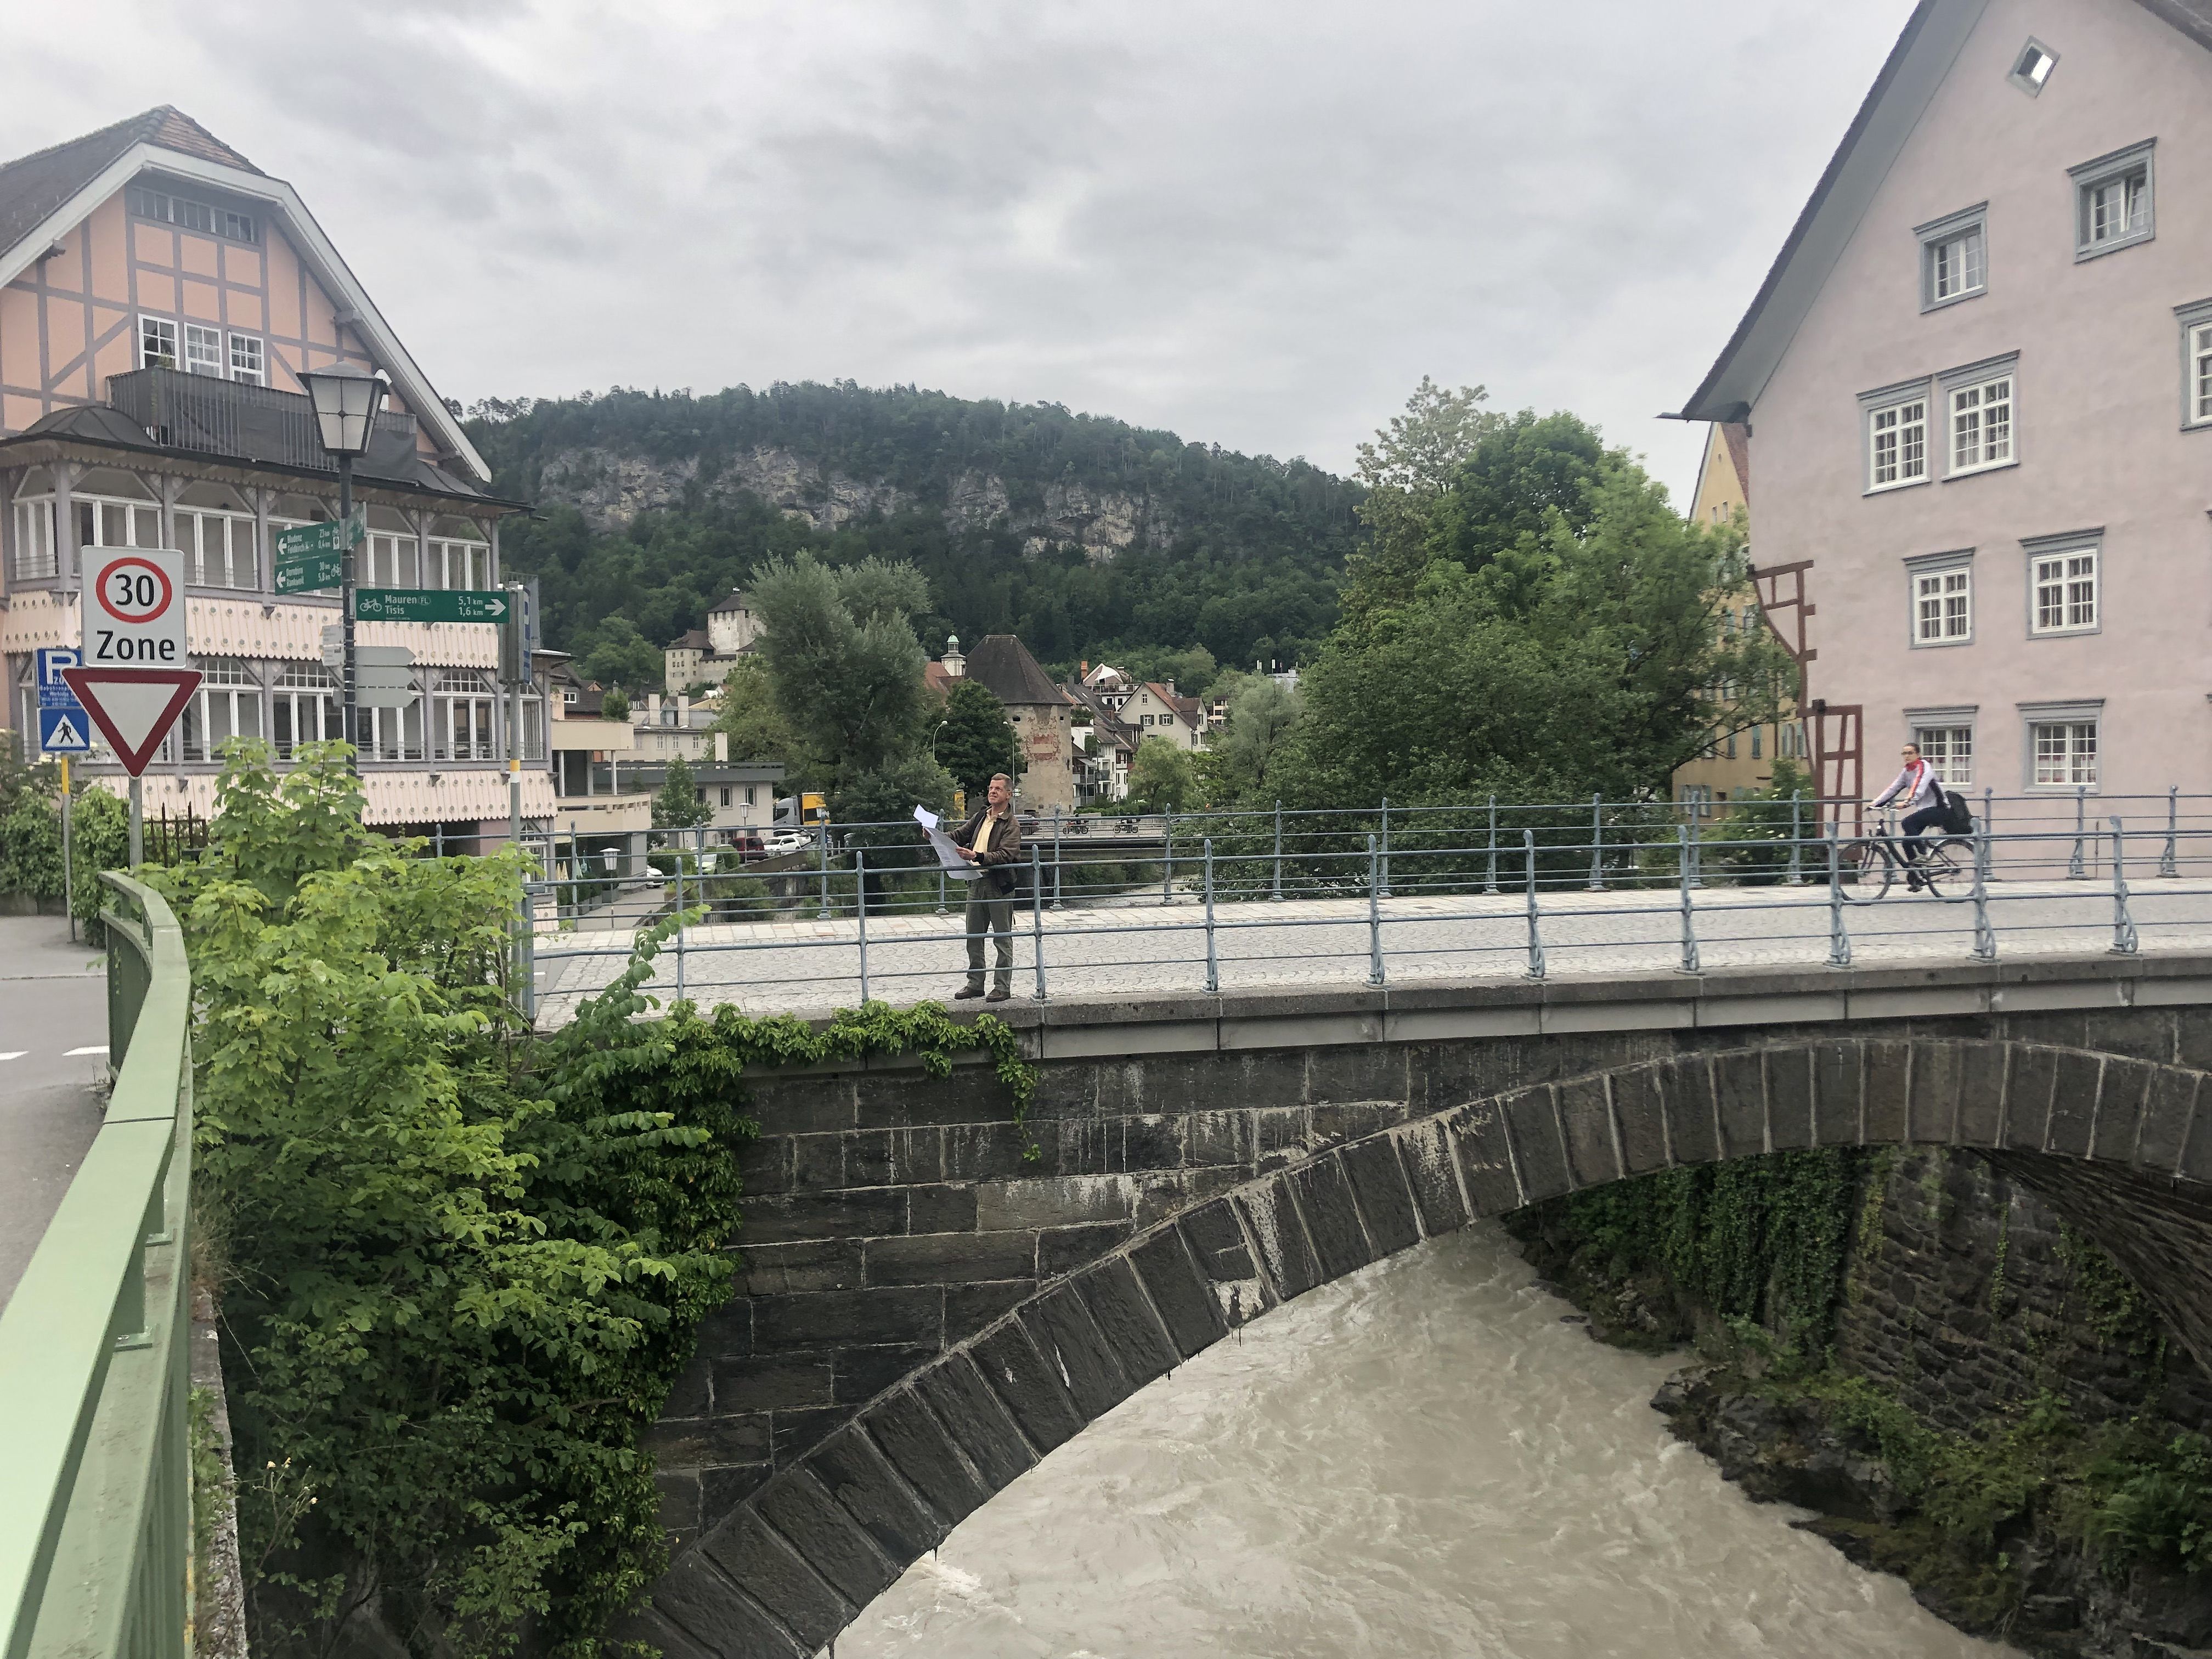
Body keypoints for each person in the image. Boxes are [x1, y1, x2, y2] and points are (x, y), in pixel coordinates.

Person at [950, 773, 1024, 1001]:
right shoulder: (982, 816)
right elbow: (960, 834)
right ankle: (975, 983)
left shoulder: (1011, 824)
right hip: (975, 881)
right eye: (991, 788)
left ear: (1009, 794)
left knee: (1002, 938)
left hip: (998, 885)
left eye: (998, 789)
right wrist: (935, 836)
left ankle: (1002, 987)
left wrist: (977, 855)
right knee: (973, 935)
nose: (992, 792)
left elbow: (1006, 855)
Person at [1870, 742, 1944, 890]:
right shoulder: (1906, 771)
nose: (1907, 756)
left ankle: (1924, 855)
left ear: (1918, 754)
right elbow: (1894, 788)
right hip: (1924, 809)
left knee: (1906, 823)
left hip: (1940, 808)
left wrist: (1906, 803)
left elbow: (1919, 787)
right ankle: (1916, 878)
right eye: (1904, 753)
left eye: (1910, 753)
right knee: (1906, 842)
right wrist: (1876, 803)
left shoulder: (1924, 767)